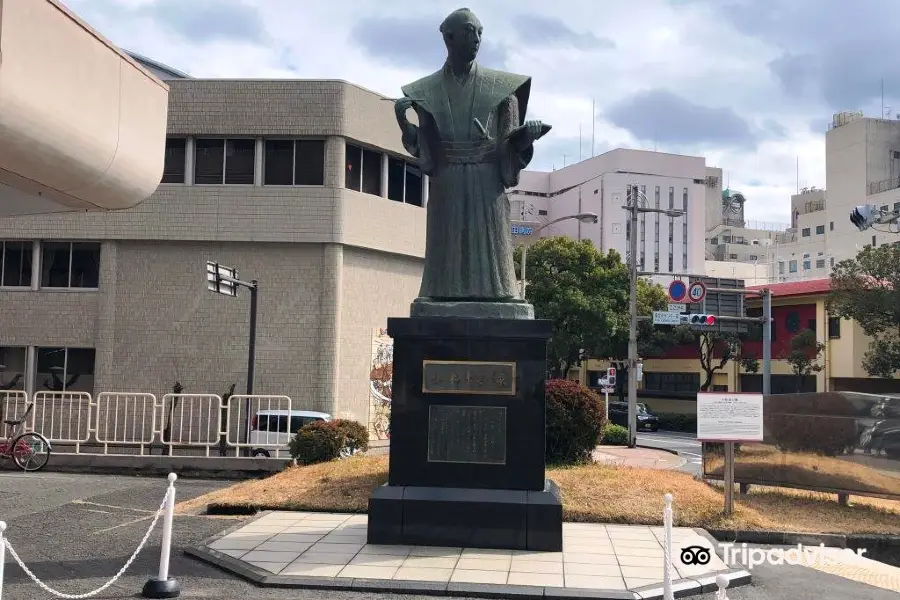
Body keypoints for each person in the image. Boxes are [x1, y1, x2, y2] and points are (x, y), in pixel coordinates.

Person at [394, 7, 550, 305]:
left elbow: (509, 147)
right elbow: (428, 152)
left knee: (491, 247)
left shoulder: (503, 91)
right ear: (449, 37)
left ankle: (501, 292)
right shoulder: (426, 91)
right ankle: (438, 292)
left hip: (486, 178)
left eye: (480, 32)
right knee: (445, 245)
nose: (477, 38)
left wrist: (525, 137)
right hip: (449, 177)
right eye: (469, 31)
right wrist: (405, 125)